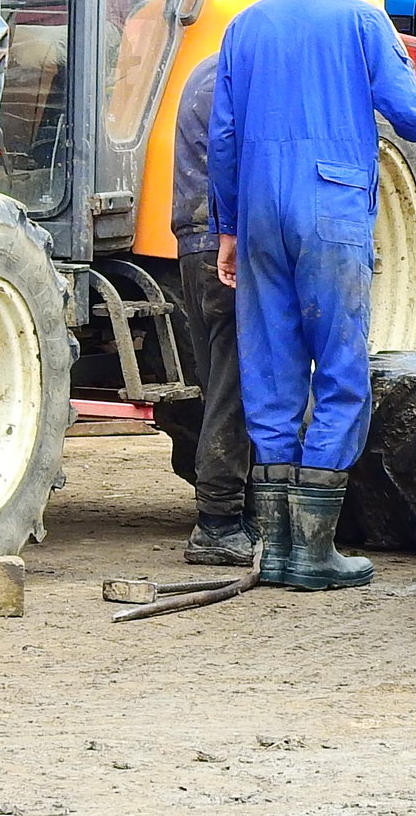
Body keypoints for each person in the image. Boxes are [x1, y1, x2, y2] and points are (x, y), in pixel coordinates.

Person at [209, 0, 416, 590]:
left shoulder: (245, 27)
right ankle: (313, 551)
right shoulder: (363, 20)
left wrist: (227, 227)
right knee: (338, 368)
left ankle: (273, 549)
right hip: (330, 209)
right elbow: (415, 115)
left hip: (258, 213)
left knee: (271, 369)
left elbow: (221, 137)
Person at [169, 57, 253, 566]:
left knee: (216, 378)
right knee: (236, 382)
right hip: (227, 240)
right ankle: (219, 523)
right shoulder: (246, 73)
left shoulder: (203, 71)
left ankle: (228, 513)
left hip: (193, 240)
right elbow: (236, 154)